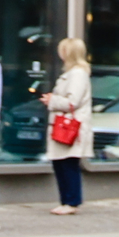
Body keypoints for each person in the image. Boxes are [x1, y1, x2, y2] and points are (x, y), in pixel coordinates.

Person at [43, 37, 93, 214]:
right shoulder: (74, 73)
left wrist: (52, 100)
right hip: (65, 125)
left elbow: (73, 101)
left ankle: (71, 202)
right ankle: (66, 200)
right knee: (61, 163)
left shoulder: (77, 74)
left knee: (67, 164)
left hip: (69, 127)